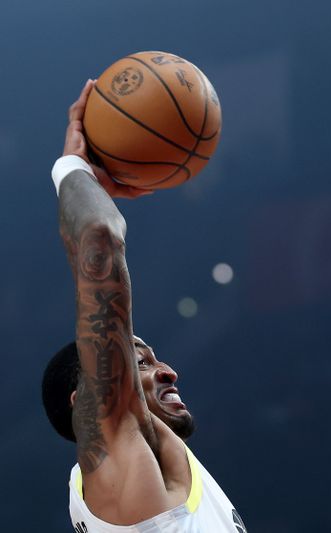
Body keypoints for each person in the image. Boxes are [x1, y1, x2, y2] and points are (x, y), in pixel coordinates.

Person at [41, 79, 248, 533]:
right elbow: (98, 237)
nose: (168, 371)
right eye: (139, 362)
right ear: (89, 404)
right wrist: (73, 169)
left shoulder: (162, 474)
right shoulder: (118, 455)